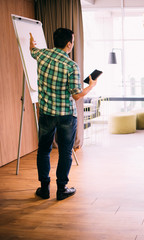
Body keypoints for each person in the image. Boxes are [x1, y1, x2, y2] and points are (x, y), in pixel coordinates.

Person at [30, 28, 98, 200]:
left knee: (43, 151)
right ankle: (62, 189)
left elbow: (32, 51)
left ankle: (44, 189)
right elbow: (76, 95)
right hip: (66, 115)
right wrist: (91, 86)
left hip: (46, 113)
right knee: (65, 152)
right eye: (73, 41)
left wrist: (31, 43)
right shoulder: (71, 66)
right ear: (69, 44)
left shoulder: (42, 55)